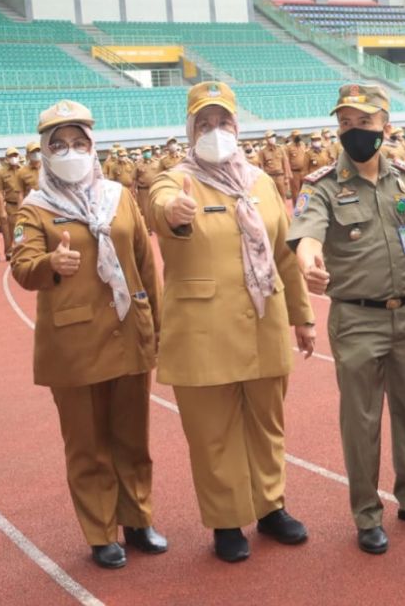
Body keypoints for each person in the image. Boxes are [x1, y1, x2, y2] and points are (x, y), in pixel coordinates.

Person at [149, 82, 315, 563]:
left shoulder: (261, 182)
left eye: (223, 123)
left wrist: (302, 316)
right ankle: (226, 521)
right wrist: (173, 213)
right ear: (189, 130)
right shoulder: (175, 179)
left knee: (267, 424)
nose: (215, 131)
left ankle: (270, 507)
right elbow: (160, 209)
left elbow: (285, 252)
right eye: (204, 123)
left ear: (237, 128)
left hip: (264, 323)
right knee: (213, 433)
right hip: (203, 332)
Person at [288, 83, 405, 555]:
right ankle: (366, 514)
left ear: (384, 124)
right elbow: (308, 237)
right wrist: (310, 266)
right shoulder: (322, 186)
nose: (354, 131)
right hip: (357, 319)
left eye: (363, 122)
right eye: (345, 123)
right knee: (361, 421)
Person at [10, 99, 167, 570]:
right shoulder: (34, 209)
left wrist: (157, 326)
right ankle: (101, 532)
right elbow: (21, 267)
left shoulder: (118, 197)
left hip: (127, 331)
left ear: (93, 146)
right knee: (87, 443)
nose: (71, 152)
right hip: (74, 345)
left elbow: (144, 263)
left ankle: (138, 520)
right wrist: (50, 265)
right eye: (60, 145)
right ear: (44, 153)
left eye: (79, 143)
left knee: (132, 437)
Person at [133, 146, 161, 234]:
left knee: (157, 207)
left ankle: (158, 227)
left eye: (148, 151)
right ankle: (148, 228)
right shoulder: (138, 164)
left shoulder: (157, 162)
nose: (147, 153)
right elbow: (134, 178)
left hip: (156, 188)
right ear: (142, 153)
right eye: (145, 151)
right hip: (143, 190)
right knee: (146, 210)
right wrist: (134, 190)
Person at [258, 129, 292, 199]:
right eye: (270, 137)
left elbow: (285, 163)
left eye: (273, 137)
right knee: (272, 197)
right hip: (270, 177)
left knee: (282, 196)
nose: (272, 139)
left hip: (280, 176)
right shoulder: (263, 151)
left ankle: (283, 210)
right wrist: (264, 179)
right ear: (267, 139)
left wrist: (286, 177)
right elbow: (261, 166)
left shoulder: (280, 149)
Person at [285, 129, 309, 197]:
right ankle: (296, 207)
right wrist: (288, 174)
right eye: (296, 136)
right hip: (294, 173)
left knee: (304, 191)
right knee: (295, 193)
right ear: (292, 137)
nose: (298, 137)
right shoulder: (288, 147)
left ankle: (305, 207)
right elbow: (287, 161)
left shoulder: (303, 144)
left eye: (299, 135)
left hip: (303, 172)